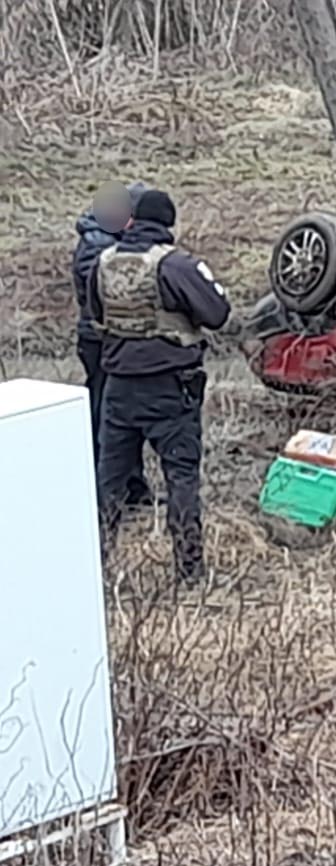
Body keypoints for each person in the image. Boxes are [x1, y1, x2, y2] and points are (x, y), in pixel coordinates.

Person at [86, 189, 231, 584]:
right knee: (181, 476)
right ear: (168, 224)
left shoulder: (104, 263)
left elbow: (95, 315)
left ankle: (92, 566)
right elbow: (217, 314)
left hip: (118, 389)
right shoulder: (176, 265)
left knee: (109, 482)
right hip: (170, 389)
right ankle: (189, 571)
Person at [73, 181, 155, 506]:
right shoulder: (97, 244)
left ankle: (129, 483)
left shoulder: (105, 238)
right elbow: (100, 290)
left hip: (114, 339)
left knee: (123, 413)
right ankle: (104, 487)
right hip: (101, 340)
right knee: (105, 414)